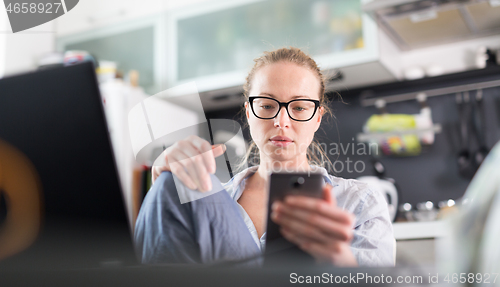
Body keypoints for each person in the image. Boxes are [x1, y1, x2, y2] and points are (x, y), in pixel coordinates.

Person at [134, 47, 394, 267]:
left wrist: (339, 263)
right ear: (248, 113)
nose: (281, 121)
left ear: (317, 118)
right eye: (267, 106)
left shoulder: (360, 203)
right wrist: (166, 189)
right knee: (172, 183)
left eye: (300, 107)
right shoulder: (210, 206)